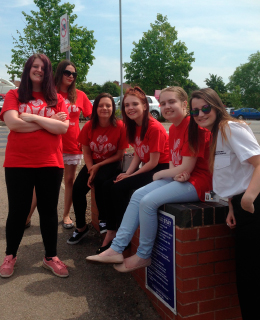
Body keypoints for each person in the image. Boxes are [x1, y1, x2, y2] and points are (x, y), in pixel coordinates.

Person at [86, 86, 212, 270]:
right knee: (137, 195)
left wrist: (160, 175)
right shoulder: (175, 128)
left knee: (148, 201)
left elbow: (185, 166)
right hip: (182, 177)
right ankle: (116, 249)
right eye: (163, 103)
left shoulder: (194, 127)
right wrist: (176, 173)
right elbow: (176, 164)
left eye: (172, 102)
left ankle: (143, 255)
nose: (166, 106)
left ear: (184, 104)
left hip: (198, 182)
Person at [188, 88, 260, 320]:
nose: (200, 114)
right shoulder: (216, 134)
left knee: (250, 278)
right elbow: (233, 174)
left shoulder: (230, 128)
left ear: (216, 106)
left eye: (205, 108)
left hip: (253, 205)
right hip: (240, 207)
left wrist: (248, 198)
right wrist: (231, 206)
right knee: (246, 277)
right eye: (195, 110)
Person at [0, 53, 70, 278]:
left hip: (50, 162)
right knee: (18, 212)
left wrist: (31, 118)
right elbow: (12, 123)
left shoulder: (57, 98)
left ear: (48, 72)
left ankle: (50, 257)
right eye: (35, 66)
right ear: (28, 68)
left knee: (48, 212)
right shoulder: (14, 94)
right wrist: (49, 123)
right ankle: (10, 255)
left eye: (43, 67)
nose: (39, 70)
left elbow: (63, 129)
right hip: (18, 162)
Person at [93, 86, 169, 254]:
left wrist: (131, 176)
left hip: (160, 169)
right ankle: (111, 230)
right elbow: (138, 154)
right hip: (148, 167)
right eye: (127, 105)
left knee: (119, 188)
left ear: (144, 105)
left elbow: (153, 162)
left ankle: (121, 237)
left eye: (135, 104)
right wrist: (127, 173)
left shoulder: (154, 128)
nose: (130, 108)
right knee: (107, 184)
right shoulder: (133, 127)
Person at [25, 60, 93, 229]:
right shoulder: (49, 93)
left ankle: (66, 215)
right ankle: (26, 217)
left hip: (72, 144)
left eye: (74, 74)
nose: (71, 76)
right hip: (51, 143)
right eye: (67, 73)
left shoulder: (80, 95)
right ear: (59, 73)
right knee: (42, 182)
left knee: (69, 180)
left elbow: (93, 117)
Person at [66, 93, 128, 245]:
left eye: (108, 105)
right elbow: (86, 151)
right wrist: (90, 170)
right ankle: (81, 227)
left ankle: (104, 220)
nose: (104, 108)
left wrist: (98, 167)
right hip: (92, 163)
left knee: (101, 182)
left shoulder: (120, 126)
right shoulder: (89, 125)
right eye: (101, 105)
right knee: (78, 189)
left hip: (111, 163)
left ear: (113, 108)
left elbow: (120, 155)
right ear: (95, 108)